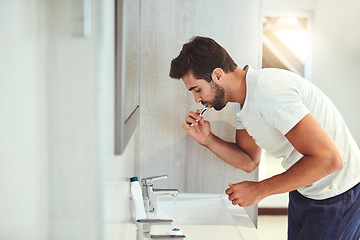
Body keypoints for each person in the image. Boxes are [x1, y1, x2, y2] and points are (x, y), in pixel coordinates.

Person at [169, 36, 360, 239]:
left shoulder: (270, 92)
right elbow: (249, 161)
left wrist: (260, 190)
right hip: (305, 187)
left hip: (338, 191)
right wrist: (208, 140)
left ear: (217, 75)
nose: (197, 99)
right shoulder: (242, 104)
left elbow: (329, 159)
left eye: (197, 90)